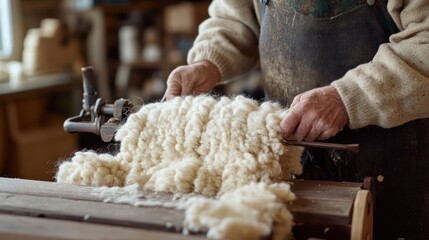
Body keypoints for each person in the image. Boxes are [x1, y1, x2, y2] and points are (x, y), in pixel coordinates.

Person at [163, 0, 429, 238]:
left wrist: (347, 97)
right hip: (289, 159)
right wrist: (207, 63)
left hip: (395, 163)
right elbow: (233, 19)